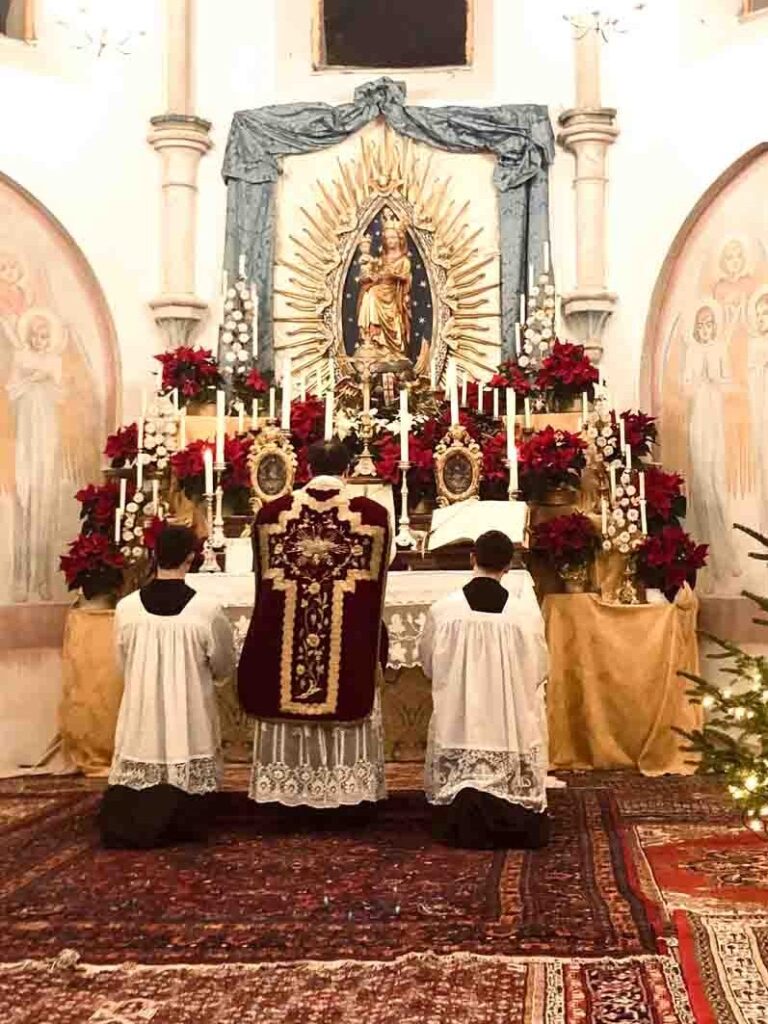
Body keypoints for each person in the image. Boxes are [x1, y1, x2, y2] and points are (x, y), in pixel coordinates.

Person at [238, 438, 390, 820]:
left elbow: (262, 583)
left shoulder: (272, 515)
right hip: (347, 640)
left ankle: (285, 800)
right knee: (344, 681)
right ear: (347, 469)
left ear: (304, 469)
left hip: (286, 641)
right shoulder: (371, 516)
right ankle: (347, 799)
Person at [99, 524, 235, 848]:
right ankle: (184, 821)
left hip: (141, 711)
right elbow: (223, 664)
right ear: (192, 558)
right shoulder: (207, 609)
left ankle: (133, 822)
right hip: (189, 715)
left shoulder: (127, 608)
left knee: (143, 746)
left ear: (154, 555)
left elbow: (123, 663)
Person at [419, 530, 550, 849]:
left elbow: (428, 665)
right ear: (508, 566)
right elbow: (538, 670)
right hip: (508, 724)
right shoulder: (523, 616)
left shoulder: (444, 611)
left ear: (472, 558)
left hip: (459, 721)